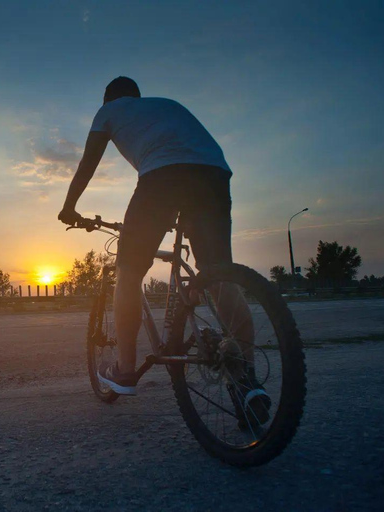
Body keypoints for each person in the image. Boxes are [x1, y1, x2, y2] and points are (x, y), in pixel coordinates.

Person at [58, 77, 269, 425]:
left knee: (128, 272)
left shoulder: (108, 110)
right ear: (137, 96)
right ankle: (246, 380)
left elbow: (87, 164)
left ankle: (125, 370)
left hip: (162, 177)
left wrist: (69, 207)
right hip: (213, 173)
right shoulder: (164, 105)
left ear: (109, 99)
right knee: (218, 274)